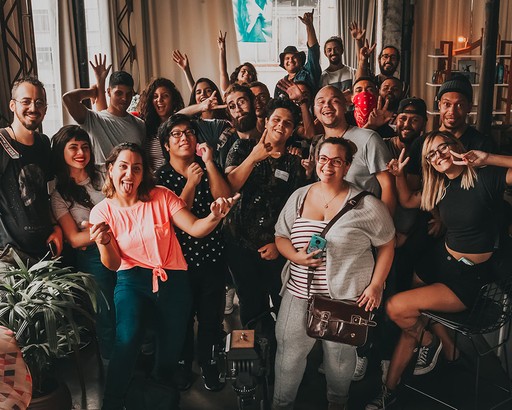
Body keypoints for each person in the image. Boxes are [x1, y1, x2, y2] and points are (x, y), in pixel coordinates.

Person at [366, 131, 512, 409]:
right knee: (410, 317)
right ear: (429, 163)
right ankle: (390, 389)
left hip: (468, 276)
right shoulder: (440, 188)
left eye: (443, 147)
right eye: (431, 154)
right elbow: (408, 200)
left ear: (457, 148)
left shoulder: (487, 178)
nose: (439, 155)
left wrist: (487, 158)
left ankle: (430, 342)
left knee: (397, 308)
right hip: (436, 263)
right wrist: (397, 175)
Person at [88, 142, 239, 409]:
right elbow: (112, 264)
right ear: (111, 170)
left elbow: (195, 228)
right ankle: (112, 402)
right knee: (127, 338)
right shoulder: (102, 212)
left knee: (170, 347)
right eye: (123, 167)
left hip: (173, 281)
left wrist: (215, 217)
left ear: (143, 172)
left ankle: (161, 396)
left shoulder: (162, 196)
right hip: (132, 282)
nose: (129, 175)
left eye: (136, 168)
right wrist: (103, 242)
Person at [273, 137, 395, 410]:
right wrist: (295, 256)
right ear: (316, 161)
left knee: (339, 361)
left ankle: (337, 405)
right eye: (323, 159)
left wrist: (376, 285)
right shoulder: (300, 196)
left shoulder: (367, 205)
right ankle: (281, 405)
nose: (328, 166)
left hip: (343, 297)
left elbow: (388, 243)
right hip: (298, 291)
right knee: (288, 356)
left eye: (337, 161)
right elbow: (281, 235)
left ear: (348, 165)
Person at [156, 114, 232, 392]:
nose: (184, 138)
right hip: (179, 261)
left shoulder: (204, 165)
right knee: (182, 318)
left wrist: (209, 164)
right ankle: (183, 365)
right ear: (166, 145)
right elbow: (171, 221)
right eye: (176, 134)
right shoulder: (160, 178)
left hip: (212, 256)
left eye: (188, 132)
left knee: (211, 317)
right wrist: (189, 183)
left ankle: (209, 363)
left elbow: (225, 197)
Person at [223, 98, 306, 332]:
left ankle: (280, 358)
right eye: (276, 120)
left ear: (292, 130)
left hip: (275, 246)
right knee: (250, 304)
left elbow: (296, 210)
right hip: (239, 243)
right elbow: (229, 188)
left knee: (282, 304)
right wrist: (253, 158)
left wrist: (277, 243)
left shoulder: (294, 162)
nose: (281, 125)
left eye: (288, 123)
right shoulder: (242, 147)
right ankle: (256, 357)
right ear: (266, 122)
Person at [50, 125, 115, 360]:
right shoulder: (59, 194)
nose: (81, 152)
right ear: (61, 152)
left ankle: (138, 355)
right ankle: (111, 364)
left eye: (85, 147)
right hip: (92, 257)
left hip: (124, 247)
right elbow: (76, 240)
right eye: (74, 147)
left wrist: (104, 229)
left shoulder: (104, 173)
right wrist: (110, 228)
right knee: (105, 312)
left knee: (131, 304)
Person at [0, 76, 62, 262]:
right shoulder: (1, 142)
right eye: (26, 101)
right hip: (9, 256)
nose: (33, 108)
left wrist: (56, 226)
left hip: (44, 250)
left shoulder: (43, 143)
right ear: (12, 105)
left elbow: (44, 193)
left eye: (39, 102)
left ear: (45, 109)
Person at [63, 70, 145, 163]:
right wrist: (91, 92)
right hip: (102, 177)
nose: (124, 98)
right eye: (119, 93)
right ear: (109, 92)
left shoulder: (140, 124)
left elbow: (143, 159)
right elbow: (68, 98)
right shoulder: (93, 119)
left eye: (128, 94)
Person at [136, 77, 185, 171]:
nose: (159, 100)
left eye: (165, 96)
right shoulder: (144, 126)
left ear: (173, 100)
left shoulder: (181, 125)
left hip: (177, 180)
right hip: (152, 182)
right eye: (155, 96)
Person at [274, 9, 321, 99]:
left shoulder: (308, 72)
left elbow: (313, 50)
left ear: (300, 60)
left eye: (294, 57)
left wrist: (309, 25)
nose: (290, 60)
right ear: (283, 64)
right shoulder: (280, 84)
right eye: (287, 58)